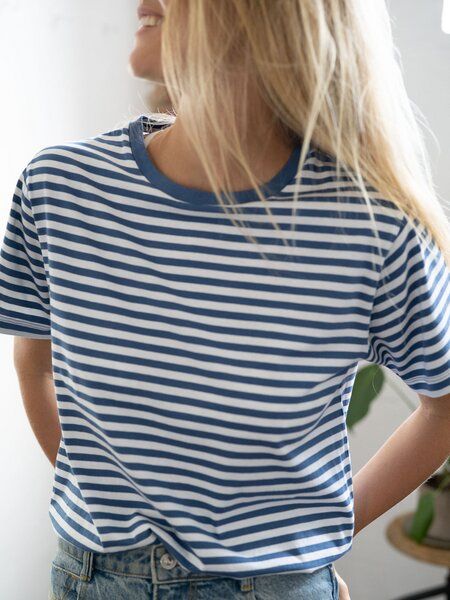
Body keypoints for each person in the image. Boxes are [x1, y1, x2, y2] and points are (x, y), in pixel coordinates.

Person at [1, 1, 449, 599]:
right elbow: (35, 365)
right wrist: (108, 516)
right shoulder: (58, 189)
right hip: (92, 581)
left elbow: (444, 407)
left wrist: (314, 547)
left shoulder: (372, 227)